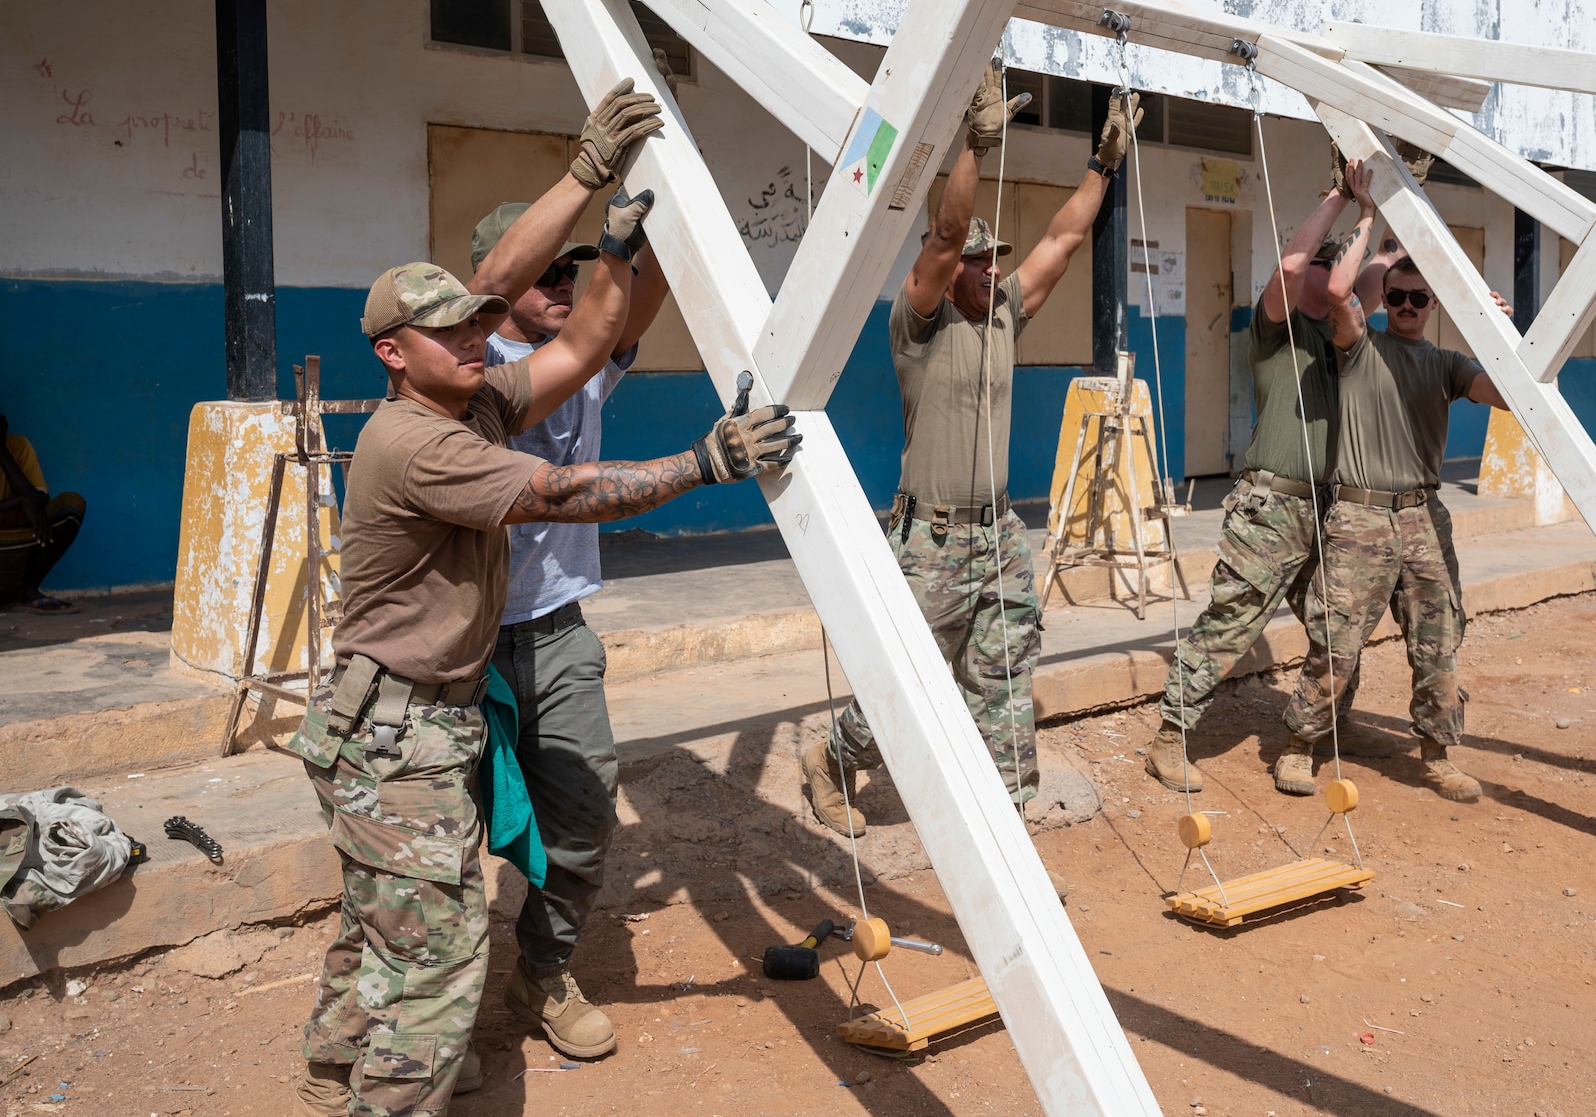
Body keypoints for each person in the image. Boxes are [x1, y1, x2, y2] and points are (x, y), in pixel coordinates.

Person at [290, 81, 801, 1117]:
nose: (476, 338)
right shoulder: (421, 441)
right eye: (453, 330)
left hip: (428, 699)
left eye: (478, 324)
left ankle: (335, 1058)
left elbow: (575, 351)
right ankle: (388, 1079)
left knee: (396, 905)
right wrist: (702, 462)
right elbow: (559, 491)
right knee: (431, 954)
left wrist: (616, 248)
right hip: (399, 720)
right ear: (392, 352)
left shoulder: (473, 397)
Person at [803, 66, 1136, 854]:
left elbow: (1064, 237)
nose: (991, 270)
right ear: (946, 274)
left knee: (1007, 676)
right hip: (932, 543)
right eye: (977, 263)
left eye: (994, 262)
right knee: (908, 687)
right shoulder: (917, 327)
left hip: (998, 539)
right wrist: (977, 144)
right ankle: (833, 755)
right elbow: (946, 234)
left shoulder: (1005, 318)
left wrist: (1104, 165)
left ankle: (1004, 826)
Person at [457, 186, 670, 1063]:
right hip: (460, 649)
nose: (560, 284)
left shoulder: (577, 362)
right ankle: (444, 1015)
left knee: (583, 818)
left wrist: (669, 222)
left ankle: (541, 972)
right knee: (446, 846)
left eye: (568, 272)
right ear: (497, 284)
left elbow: (630, 305)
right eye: (541, 271)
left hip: (554, 632)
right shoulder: (465, 377)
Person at [1142, 162, 1410, 794]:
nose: (1330, 266)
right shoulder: (1276, 329)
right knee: (1233, 624)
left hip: (1333, 508)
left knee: (1336, 627)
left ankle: (1314, 733)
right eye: (1325, 259)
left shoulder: (1346, 333)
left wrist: (1385, 200)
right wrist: (1343, 197)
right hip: (1272, 508)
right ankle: (1170, 736)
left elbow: (1374, 271)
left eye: (1335, 261)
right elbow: (1292, 268)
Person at [1295, 238, 1512, 803]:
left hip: (1423, 518)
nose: (1409, 305)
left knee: (1438, 642)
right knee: (1335, 642)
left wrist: (1493, 328)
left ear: (1434, 303)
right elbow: (1341, 295)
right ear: (1385, 299)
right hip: (1359, 515)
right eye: (1398, 296)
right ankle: (1301, 745)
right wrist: (1379, 232)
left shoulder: (1446, 365)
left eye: (1420, 297)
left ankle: (1436, 756)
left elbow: (1509, 397)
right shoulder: (1359, 346)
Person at [0, 416, 86, 613]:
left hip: (14, 544)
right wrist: (19, 502)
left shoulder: (17, 445)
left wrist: (2, 451)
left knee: (70, 506)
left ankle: (28, 591)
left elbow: (39, 500)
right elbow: (27, 501)